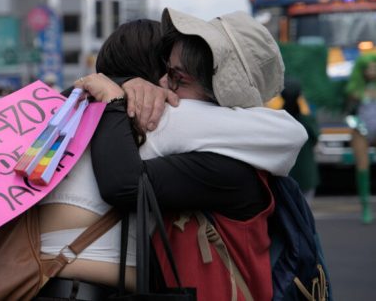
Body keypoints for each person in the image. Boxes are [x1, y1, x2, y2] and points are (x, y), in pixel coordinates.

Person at [36, 16, 306, 300]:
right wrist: (126, 92)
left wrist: (118, 90)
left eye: (177, 76)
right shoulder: (152, 120)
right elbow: (290, 133)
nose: (166, 84)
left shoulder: (61, 122)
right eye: (166, 73)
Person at [345, 53, 376, 224]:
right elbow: (348, 108)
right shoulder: (355, 89)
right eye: (368, 67)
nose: (371, 70)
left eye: (374, 66)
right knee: (362, 166)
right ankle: (365, 207)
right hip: (361, 129)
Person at [279, 79, 320, 205]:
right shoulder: (307, 121)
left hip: (284, 175)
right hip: (307, 175)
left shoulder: (277, 120)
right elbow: (315, 139)